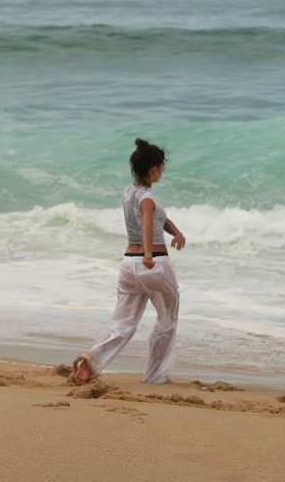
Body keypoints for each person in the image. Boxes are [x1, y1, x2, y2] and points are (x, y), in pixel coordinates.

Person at [70, 138, 186, 385]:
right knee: (167, 319)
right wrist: (147, 254)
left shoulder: (129, 192)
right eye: (162, 166)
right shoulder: (147, 199)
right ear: (154, 168)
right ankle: (156, 376)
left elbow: (156, 218)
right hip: (152, 263)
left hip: (128, 266)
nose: (163, 171)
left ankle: (90, 362)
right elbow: (147, 221)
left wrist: (176, 231)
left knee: (123, 323)